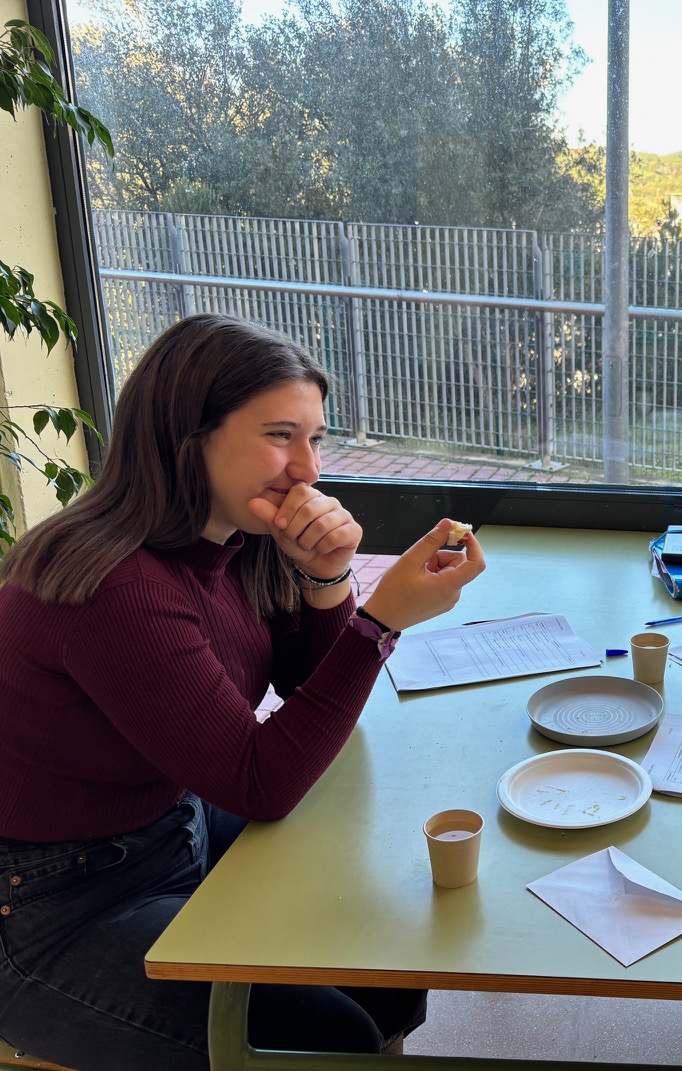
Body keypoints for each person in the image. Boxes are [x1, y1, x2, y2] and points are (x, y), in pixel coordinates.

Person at [0, 314, 485, 1070]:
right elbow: (261, 783)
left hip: (170, 820)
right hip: (52, 902)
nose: (308, 469)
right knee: (324, 1037)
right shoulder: (116, 587)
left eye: (315, 438)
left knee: (388, 959)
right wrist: (381, 619)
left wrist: (329, 578)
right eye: (280, 435)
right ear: (187, 437)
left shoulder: (229, 540)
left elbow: (303, 683)